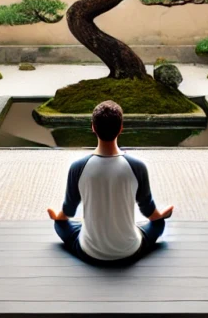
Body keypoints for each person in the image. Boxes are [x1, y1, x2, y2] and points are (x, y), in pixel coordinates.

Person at [48, 100, 173, 262]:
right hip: (130, 251)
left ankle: (87, 227)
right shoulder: (137, 166)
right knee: (158, 225)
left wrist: (57, 217)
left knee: (60, 225)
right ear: (121, 128)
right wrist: (162, 215)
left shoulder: (78, 167)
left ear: (93, 127)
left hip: (90, 252)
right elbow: (150, 212)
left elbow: (68, 212)